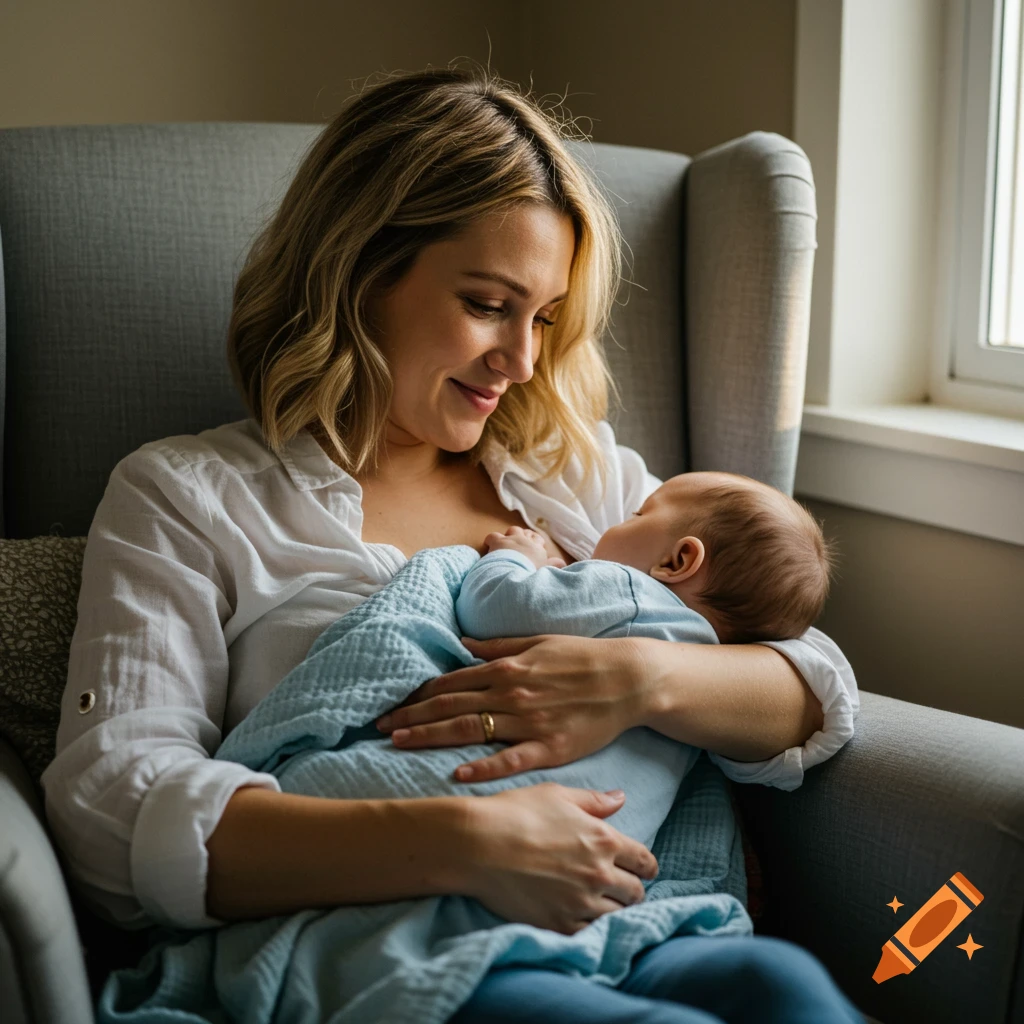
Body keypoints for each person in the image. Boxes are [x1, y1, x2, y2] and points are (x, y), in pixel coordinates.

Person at [41, 63, 863, 1023]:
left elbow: (807, 676)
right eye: (487, 304)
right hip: (390, 944)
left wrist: (641, 681)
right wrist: (464, 841)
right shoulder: (191, 495)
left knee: (784, 985)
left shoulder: (571, 475)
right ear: (359, 273)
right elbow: (112, 808)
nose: (522, 362)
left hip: (610, 924)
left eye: (545, 318)